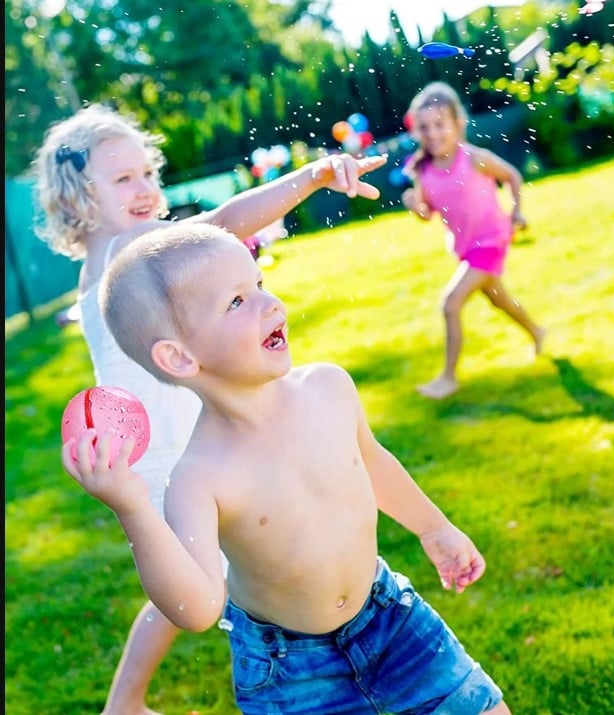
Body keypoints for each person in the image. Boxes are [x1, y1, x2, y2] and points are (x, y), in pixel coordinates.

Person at [61, 223, 512, 715]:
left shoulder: (328, 388)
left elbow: (373, 462)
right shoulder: (199, 477)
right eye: (236, 302)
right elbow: (198, 608)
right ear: (179, 357)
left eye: (258, 284)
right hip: (288, 668)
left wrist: (434, 527)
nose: (269, 304)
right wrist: (132, 508)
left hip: (388, 617)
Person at [34, 103, 387, 715]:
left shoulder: (104, 264)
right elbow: (221, 226)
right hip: (177, 461)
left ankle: (129, 701)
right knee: (213, 580)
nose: (146, 189)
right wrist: (310, 178)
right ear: (77, 200)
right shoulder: (127, 248)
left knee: (210, 577)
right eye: (123, 180)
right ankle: (297, 652)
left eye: (147, 173)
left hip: (171, 452)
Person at [401, 81, 546, 400]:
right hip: (466, 247)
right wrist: (415, 207)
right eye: (425, 127)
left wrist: (517, 211)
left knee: (450, 304)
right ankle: (537, 331)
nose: (433, 133)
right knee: (499, 299)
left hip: (492, 239)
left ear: (458, 124)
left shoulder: (474, 158)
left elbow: (512, 175)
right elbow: (427, 213)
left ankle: (449, 378)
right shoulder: (421, 171)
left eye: (440, 125)